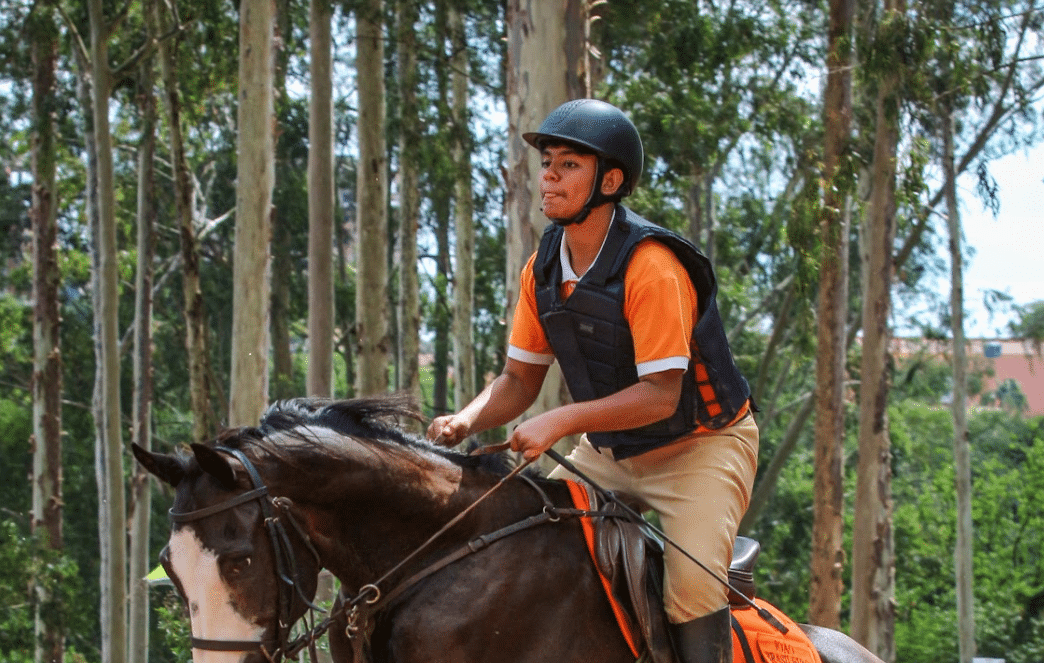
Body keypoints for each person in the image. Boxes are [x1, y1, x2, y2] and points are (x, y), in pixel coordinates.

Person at [427, 98, 759, 663]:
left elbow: (661, 396)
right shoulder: (542, 270)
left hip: (702, 449)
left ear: (610, 181)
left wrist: (559, 421)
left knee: (691, 587)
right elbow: (518, 380)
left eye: (568, 165)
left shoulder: (653, 267)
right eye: (547, 163)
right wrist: (466, 419)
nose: (549, 177)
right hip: (609, 452)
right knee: (527, 543)